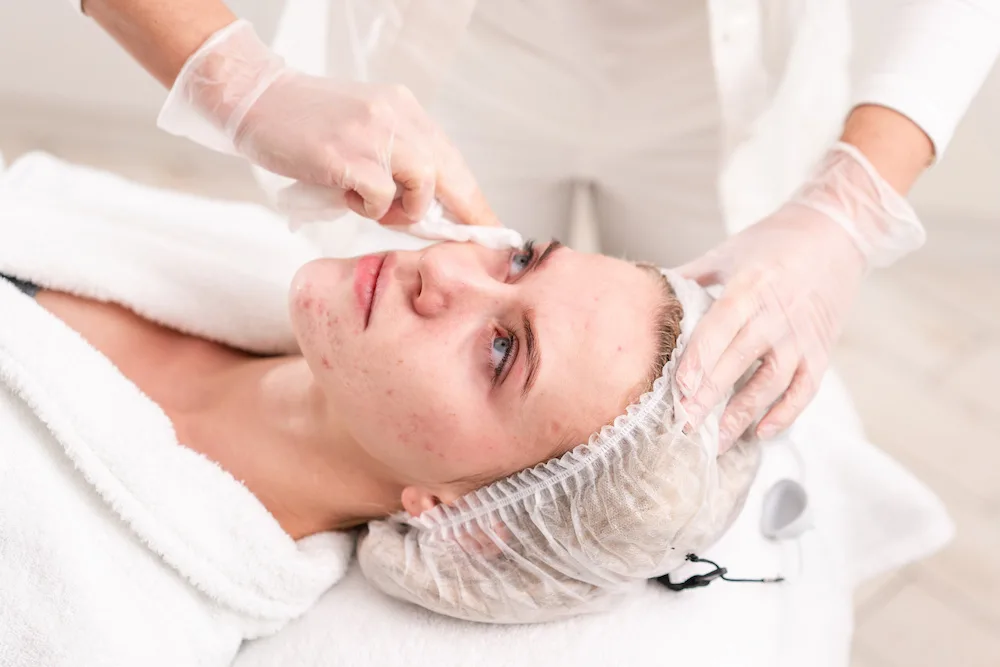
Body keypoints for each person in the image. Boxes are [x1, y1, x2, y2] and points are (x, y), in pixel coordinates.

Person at [68, 0, 1000, 452]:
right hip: (466, 52)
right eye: (518, 260)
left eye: (521, 263)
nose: (448, 275)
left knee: (719, 387)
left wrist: (854, 200)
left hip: (723, 77)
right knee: (397, 386)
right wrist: (237, 80)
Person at [0, 181, 757, 661]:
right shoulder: (247, 251)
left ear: (472, 516)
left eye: (501, 350)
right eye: (521, 260)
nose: (445, 268)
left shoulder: (107, 625)